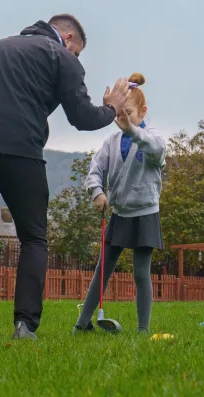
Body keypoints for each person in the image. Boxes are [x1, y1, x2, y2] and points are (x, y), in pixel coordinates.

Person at [0, 14, 132, 340]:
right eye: (78, 53)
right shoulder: (61, 57)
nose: (76, 59)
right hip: (20, 152)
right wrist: (112, 108)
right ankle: (25, 325)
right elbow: (82, 117)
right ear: (69, 38)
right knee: (33, 238)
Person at [74, 73, 166, 334]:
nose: (122, 119)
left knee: (140, 274)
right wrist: (97, 192)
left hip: (146, 214)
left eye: (129, 113)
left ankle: (142, 330)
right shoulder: (111, 142)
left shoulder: (152, 137)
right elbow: (95, 170)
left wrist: (132, 130)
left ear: (143, 111)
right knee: (102, 271)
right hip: (119, 214)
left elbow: (157, 150)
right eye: (118, 115)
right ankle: (82, 324)